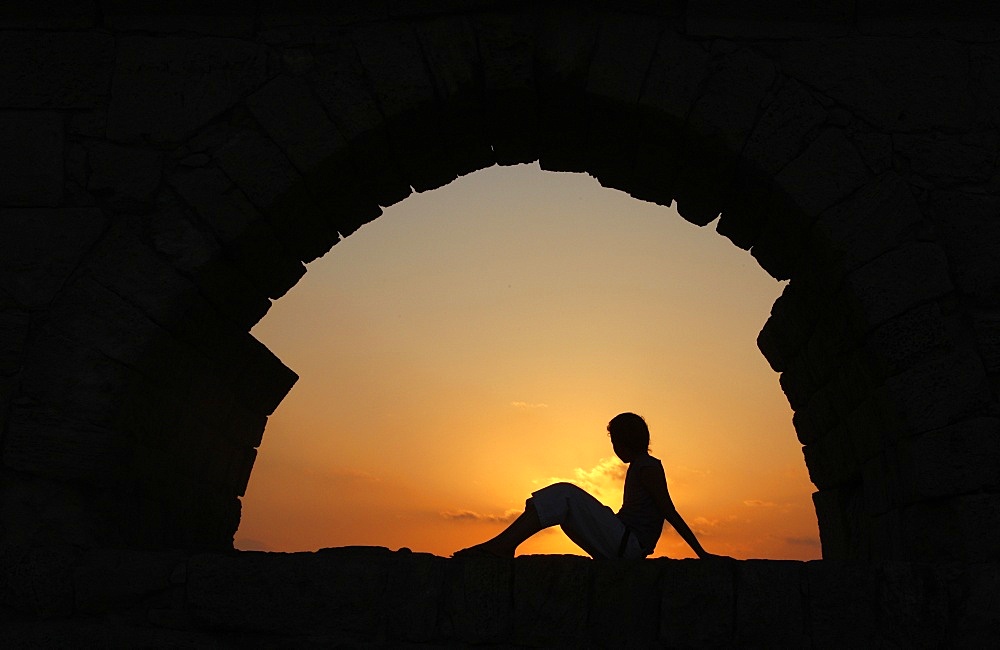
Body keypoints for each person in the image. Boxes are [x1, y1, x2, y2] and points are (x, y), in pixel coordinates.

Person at [452, 412, 727, 560]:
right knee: (561, 500)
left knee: (566, 494)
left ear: (623, 441)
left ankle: (502, 546)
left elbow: (669, 511)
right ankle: (503, 544)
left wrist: (702, 554)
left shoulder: (648, 467)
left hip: (628, 547)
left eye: (614, 442)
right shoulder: (641, 466)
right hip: (623, 542)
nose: (614, 449)